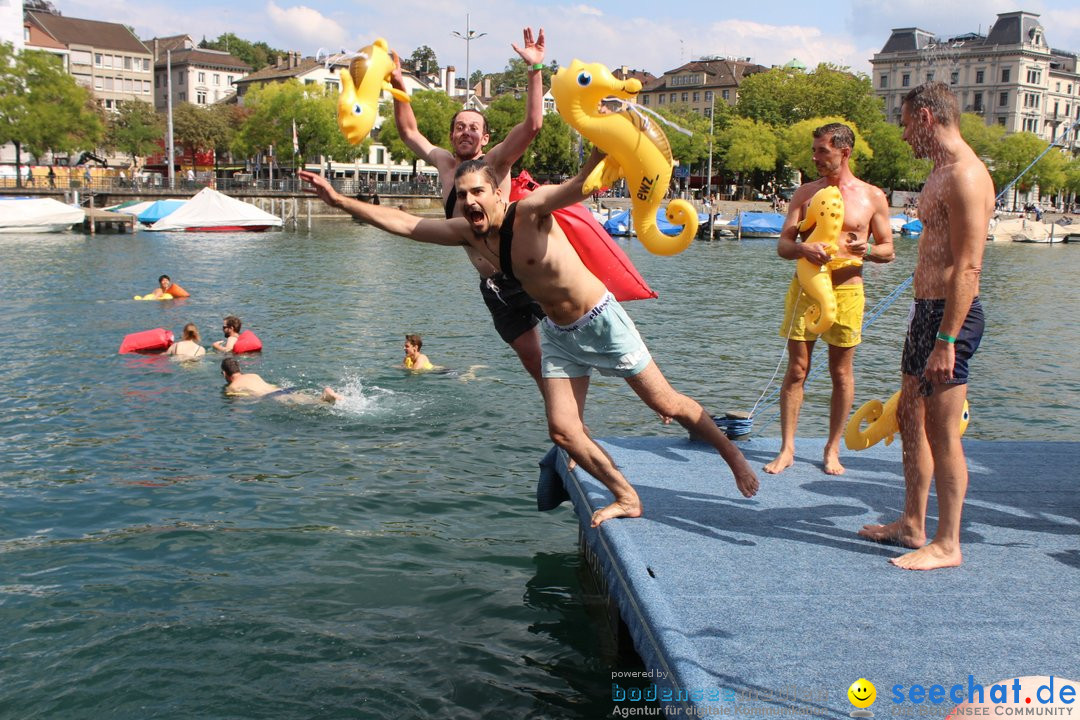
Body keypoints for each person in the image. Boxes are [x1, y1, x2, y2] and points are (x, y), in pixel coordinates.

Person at [299, 149, 759, 527]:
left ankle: (730, 454)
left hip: (600, 321)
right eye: (462, 196)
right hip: (558, 334)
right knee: (562, 431)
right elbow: (400, 221)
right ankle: (626, 495)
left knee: (666, 404)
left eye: (478, 192)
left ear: (497, 193)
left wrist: (604, 150)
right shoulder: (465, 234)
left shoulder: (531, 214)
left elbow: (577, 187)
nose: (470, 202)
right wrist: (339, 200)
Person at [858, 82, 993, 570]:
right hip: (925, 311)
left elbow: (968, 267)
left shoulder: (967, 177)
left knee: (942, 433)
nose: (903, 133)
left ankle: (948, 542)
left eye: (905, 122)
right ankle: (912, 523)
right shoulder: (939, 173)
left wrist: (946, 341)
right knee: (910, 421)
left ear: (927, 119)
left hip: (949, 319)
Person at [389, 27, 547, 385]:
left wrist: (535, 70)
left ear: (485, 138)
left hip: (526, 273)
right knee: (533, 361)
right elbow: (408, 133)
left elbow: (532, 125)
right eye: (460, 127)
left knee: (577, 334)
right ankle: (568, 423)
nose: (466, 132)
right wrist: (398, 84)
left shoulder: (496, 162)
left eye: (474, 127)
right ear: (451, 135)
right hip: (492, 285)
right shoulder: (445, 165)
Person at [764, 123, 895, 476]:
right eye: (815, 150)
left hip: (848, 289)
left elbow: (888, 250)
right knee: (797, 370)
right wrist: (803, 247)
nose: (815, 157)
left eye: (823, 150)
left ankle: (832, 448)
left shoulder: (872, 196)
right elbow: (783, 246)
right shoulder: (805, 194)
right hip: (807, 288)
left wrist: (865, 249)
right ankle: (787, 447)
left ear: (844, 152)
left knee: (841, 372)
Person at [221, 358, 341, 403]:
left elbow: (243, 398)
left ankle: (326, 397)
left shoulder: (232, 387)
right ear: (239, 369)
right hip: (282, 389)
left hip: (270, 396)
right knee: (305, 398)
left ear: (225, 373)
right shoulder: (253, 375)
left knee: (309, 404)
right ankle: (327, 395)